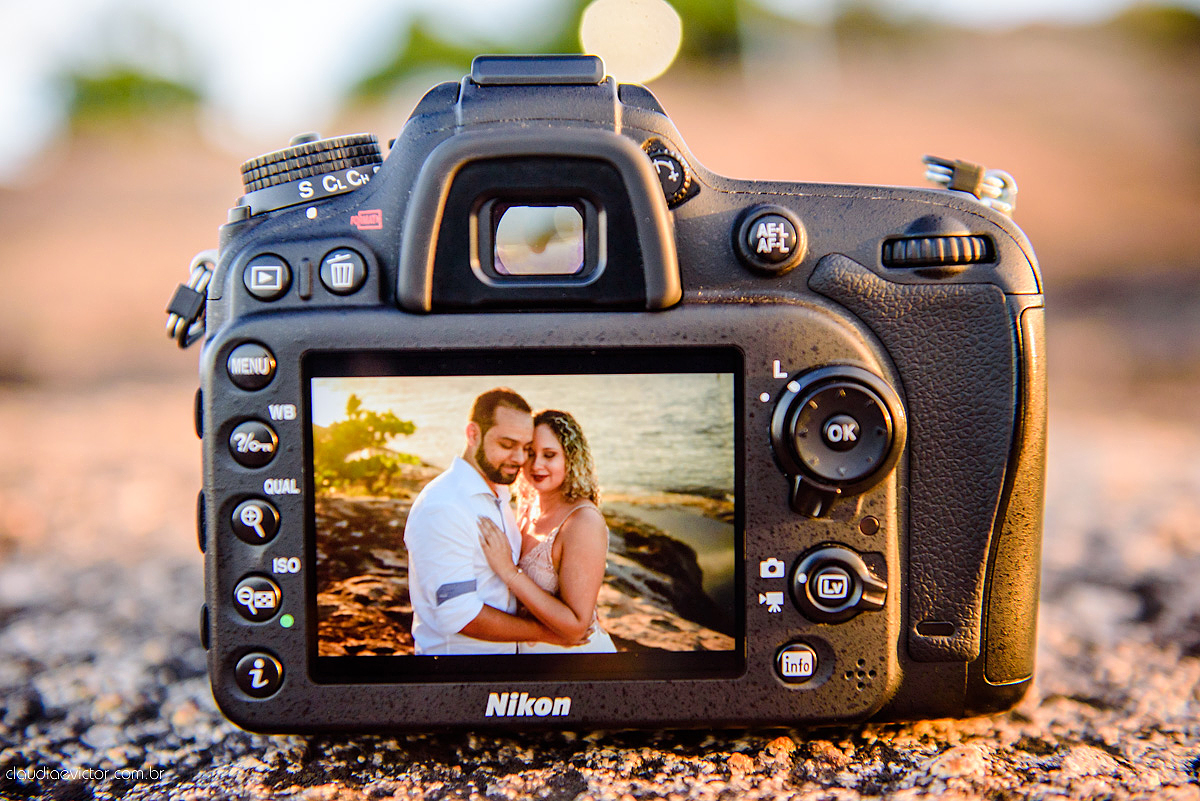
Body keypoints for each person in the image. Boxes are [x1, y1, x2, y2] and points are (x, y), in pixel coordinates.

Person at [404, 388, 578, 655]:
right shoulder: (443, 506)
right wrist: (547, 633)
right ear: (473, 434)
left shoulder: (497, 493)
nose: (520, 459)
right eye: (507, 445)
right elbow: (458, 615)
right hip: (459, 672)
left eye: (526, 448)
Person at [478, 409, 617, 653]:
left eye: (549, 455)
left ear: (571, 458)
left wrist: (510, 573)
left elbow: (576, 626)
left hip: (574, 663)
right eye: (530, 453)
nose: (536, 465)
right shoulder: (527, 504)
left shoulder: (583, 521)